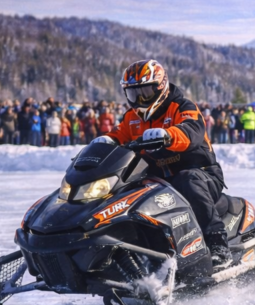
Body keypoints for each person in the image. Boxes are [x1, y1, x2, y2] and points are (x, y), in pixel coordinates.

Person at [94, 59, 233, 266]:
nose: (140, 99)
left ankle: (217, 243)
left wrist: (169, 135)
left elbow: (192, 131)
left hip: (201, 173)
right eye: (133, 93)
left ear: (161, 87)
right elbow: (120, 134)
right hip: (158, 180)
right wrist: (107, 141)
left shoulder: (182, 106)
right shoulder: (132, 117)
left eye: (146, 92)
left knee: (189, 180)